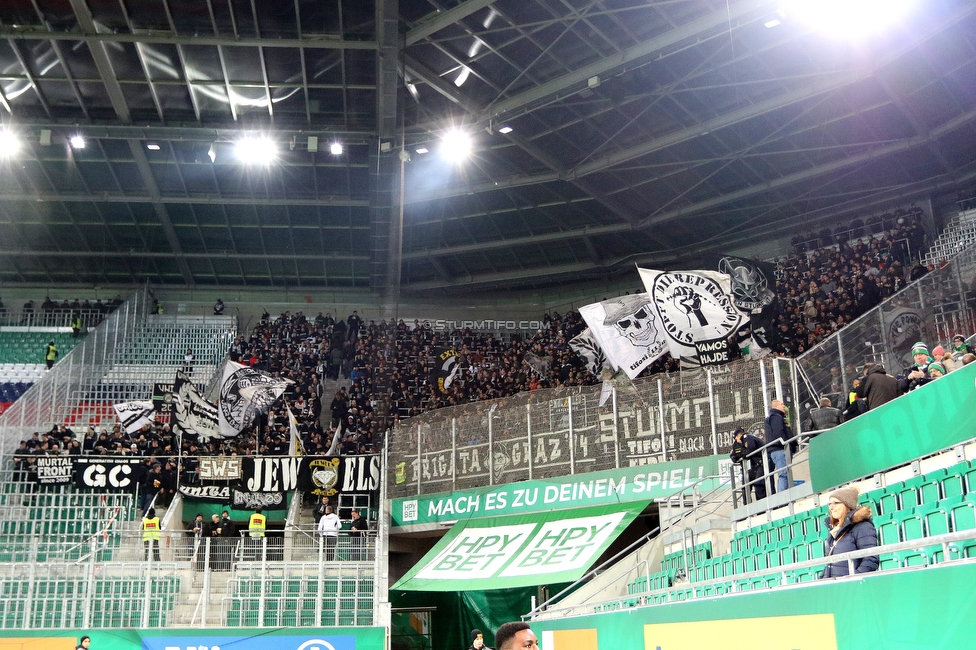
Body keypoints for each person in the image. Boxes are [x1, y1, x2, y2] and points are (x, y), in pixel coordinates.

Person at [820, 486, 879, 578]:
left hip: (850, 588)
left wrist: (852, 580)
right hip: (835, 587)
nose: (831, 507)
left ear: (847, 505)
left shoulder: (863, 527)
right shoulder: (834, 530)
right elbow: (830, 565)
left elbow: (871, 559)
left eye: (835, 503)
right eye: (829, 503)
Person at [729, 427, 766, 502]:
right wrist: (738, 454)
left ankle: (762, 510)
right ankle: (748, 510)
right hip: (748, 469)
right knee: (745, 490)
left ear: (739, 435)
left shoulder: (748, 437)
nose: (736, 440)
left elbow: (749, 450)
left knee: (759, 487)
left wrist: (741, 453)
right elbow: (733, 456)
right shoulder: (737, 444)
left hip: (758, 465)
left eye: (736, 437)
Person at [764, 399, 793, 494]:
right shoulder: (776, 417)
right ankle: (783, 499)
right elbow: (779, 433)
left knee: (785, 474)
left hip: (778, 449)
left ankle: (785, 497)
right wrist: (786, 443)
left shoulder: (775, 417)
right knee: (784, 474)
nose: (784, 406)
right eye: (782, 404)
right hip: (780, 449)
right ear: (776, 406)